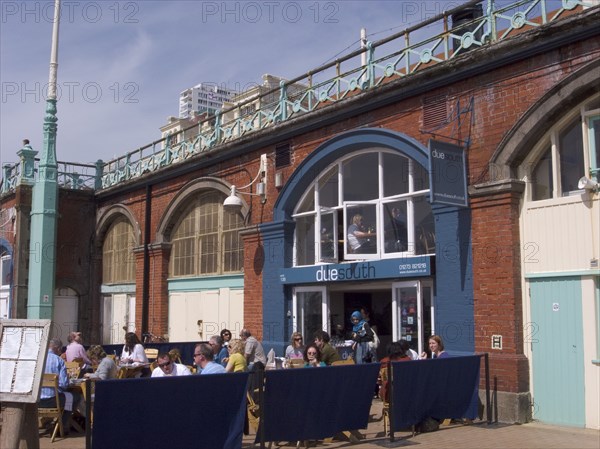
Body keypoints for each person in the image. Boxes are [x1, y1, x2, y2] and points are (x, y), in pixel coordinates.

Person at [40, 338, 80, 434]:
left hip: (36, 402)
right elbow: (64, 385)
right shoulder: (59, 361)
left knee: (66, 397)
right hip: (52, 400)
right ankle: (61, 424)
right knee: (75, 397)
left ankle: (49, 422)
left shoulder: (38, 359)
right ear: (57, 349)